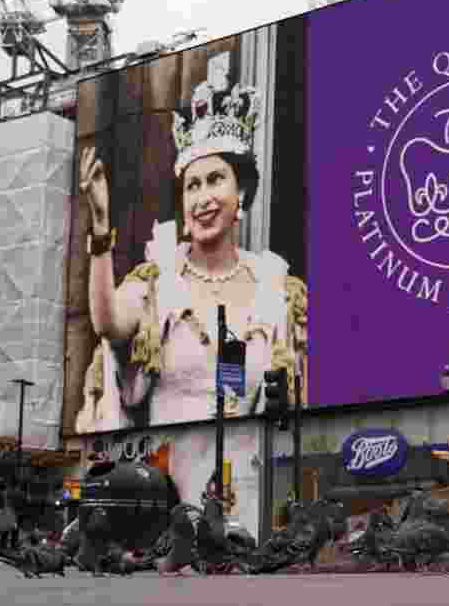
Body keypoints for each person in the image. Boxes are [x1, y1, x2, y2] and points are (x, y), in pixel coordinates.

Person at [75, 78, 307, 432]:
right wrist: (102, 225)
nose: (202, 198)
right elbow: (108, 323)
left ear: (241, 192)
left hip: (248, 474)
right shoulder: (158, 280)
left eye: (215, 179)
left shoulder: (275, 288)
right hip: (162, 476)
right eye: (192, 185)